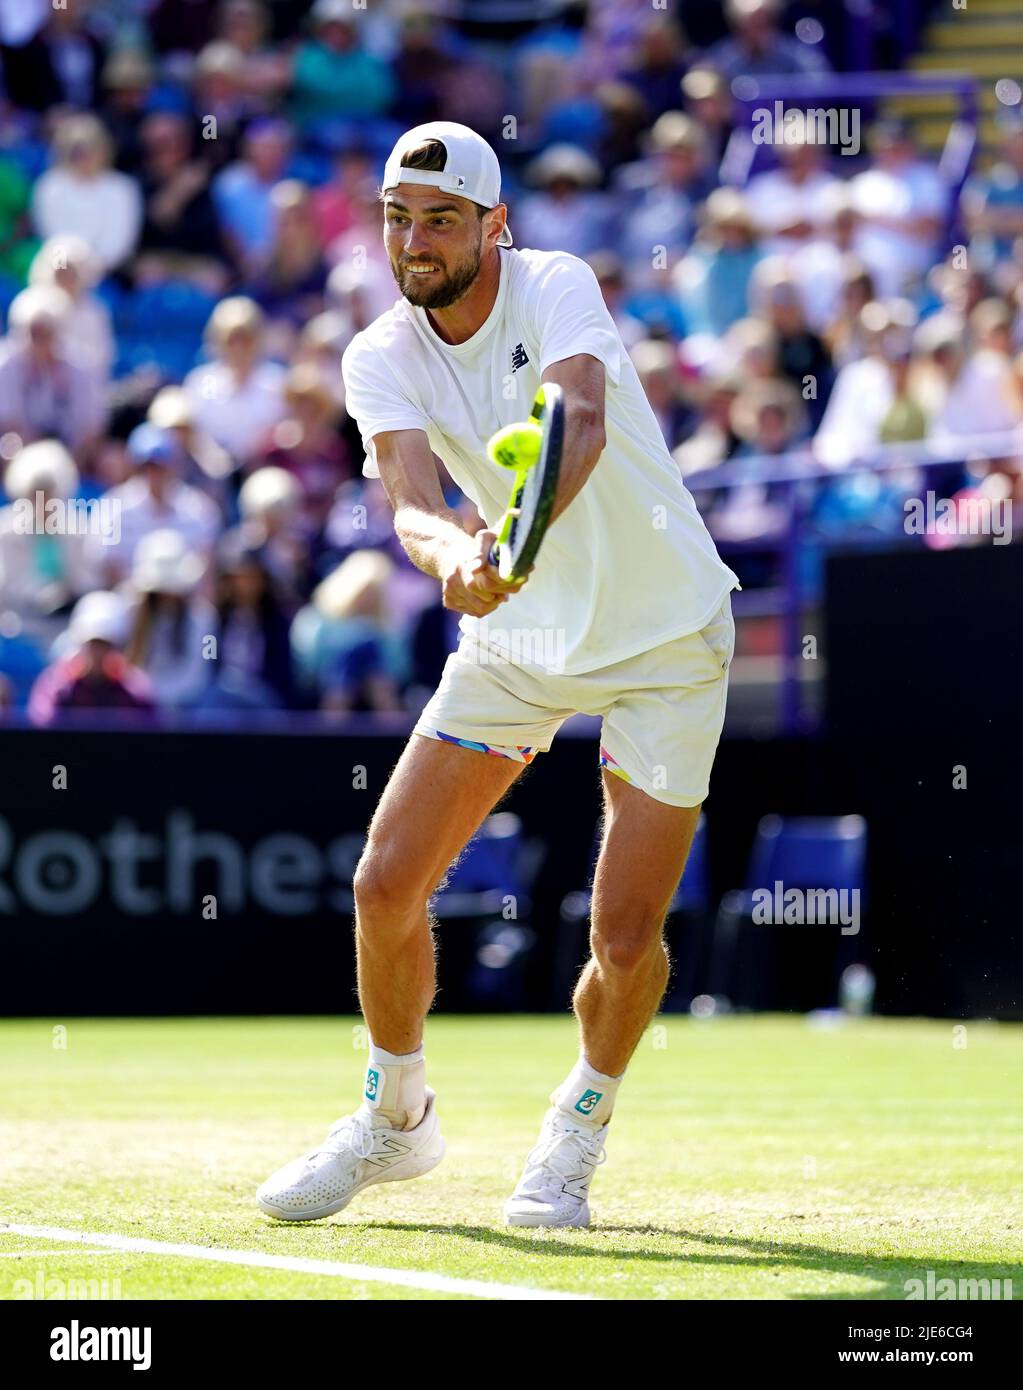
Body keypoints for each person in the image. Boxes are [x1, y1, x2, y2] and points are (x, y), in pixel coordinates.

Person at [256, 122, 740, 1230]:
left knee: (623, 937)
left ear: (494, 225)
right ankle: (397, 1120)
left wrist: (507, 548)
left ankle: (577, 1130)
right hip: (518, 644)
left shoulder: (559, 284)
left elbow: (578, 425)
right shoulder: (378, 351)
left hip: (666, 634)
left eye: (439, 218)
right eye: (397, 216)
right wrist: (458, 560)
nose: (414, 240)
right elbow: (414, 506)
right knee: (385, 882)